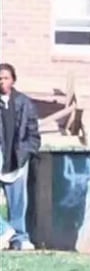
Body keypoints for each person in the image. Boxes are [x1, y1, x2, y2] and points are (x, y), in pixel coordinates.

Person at [0, 62, 40, 250]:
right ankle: (4, 230)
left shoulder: (24, 103)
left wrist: (26, 152)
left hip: (17, 159)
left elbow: (33, 133)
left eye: (6, 78)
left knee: (17, 204)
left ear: (13, 80)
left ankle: (19, 238)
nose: (2, 81)